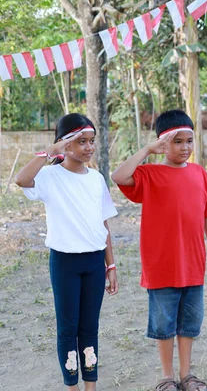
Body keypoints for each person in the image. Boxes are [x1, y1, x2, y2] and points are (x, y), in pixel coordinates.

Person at [111, 110, 207, 391]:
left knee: (189, 324)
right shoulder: (149, 174)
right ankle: (166, 377)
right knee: (164, 325)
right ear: (163, 143)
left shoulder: (199, 174)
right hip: (160, 264)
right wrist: (148, 150)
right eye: (177, 142)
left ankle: (187, 375)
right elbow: (118, 176)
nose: (184, 148)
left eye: (189, 141)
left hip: (193, 263)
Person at [14, 113, 119, 391]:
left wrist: (111, 266)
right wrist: (49, 152)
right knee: (68, 328)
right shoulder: (49, 176)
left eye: (91, 141)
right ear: (65, 144)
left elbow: (104, 223)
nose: (88, 147)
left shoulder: (96, 179)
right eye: (81, 141)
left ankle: (90, 386)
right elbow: (22, 180)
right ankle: (71, 385)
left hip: (95, 262)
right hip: (64, 263)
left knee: (89, 327)